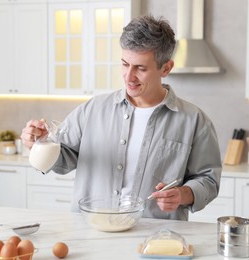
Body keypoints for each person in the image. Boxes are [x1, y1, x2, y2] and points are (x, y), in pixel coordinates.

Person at [21, 15, 222, 221]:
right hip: (92, 230)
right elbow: (63, 158)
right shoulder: (93, 109)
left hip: (155, 238)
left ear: (166, 68)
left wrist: (183, 195)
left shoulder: (194, 121)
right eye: (125, 64)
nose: (128, 76)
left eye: (140, 68)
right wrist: (39, 141)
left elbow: (208, 180)